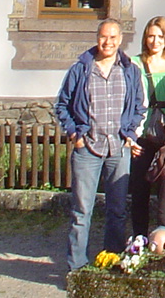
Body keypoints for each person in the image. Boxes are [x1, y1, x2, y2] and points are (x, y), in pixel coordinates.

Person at [55, 19, 145, 271]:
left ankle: (111, 261)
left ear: (121, 39)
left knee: (117, 211)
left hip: (118, 149)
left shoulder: (129, 70)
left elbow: (139, 107)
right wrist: (76, 134)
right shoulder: (81, 69)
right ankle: (77, 268)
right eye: (104, 37)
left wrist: (130, 132)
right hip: (88, 148)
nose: (108, 42)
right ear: (97, 38)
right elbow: (62, 105)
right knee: (81, 212)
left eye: (113, 37)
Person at [131, 15, 165, 237]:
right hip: (144, 131)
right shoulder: (135, 62)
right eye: (151, 36)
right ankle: (139, 235)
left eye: (160, 36)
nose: (155, 41)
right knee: (140, 187)